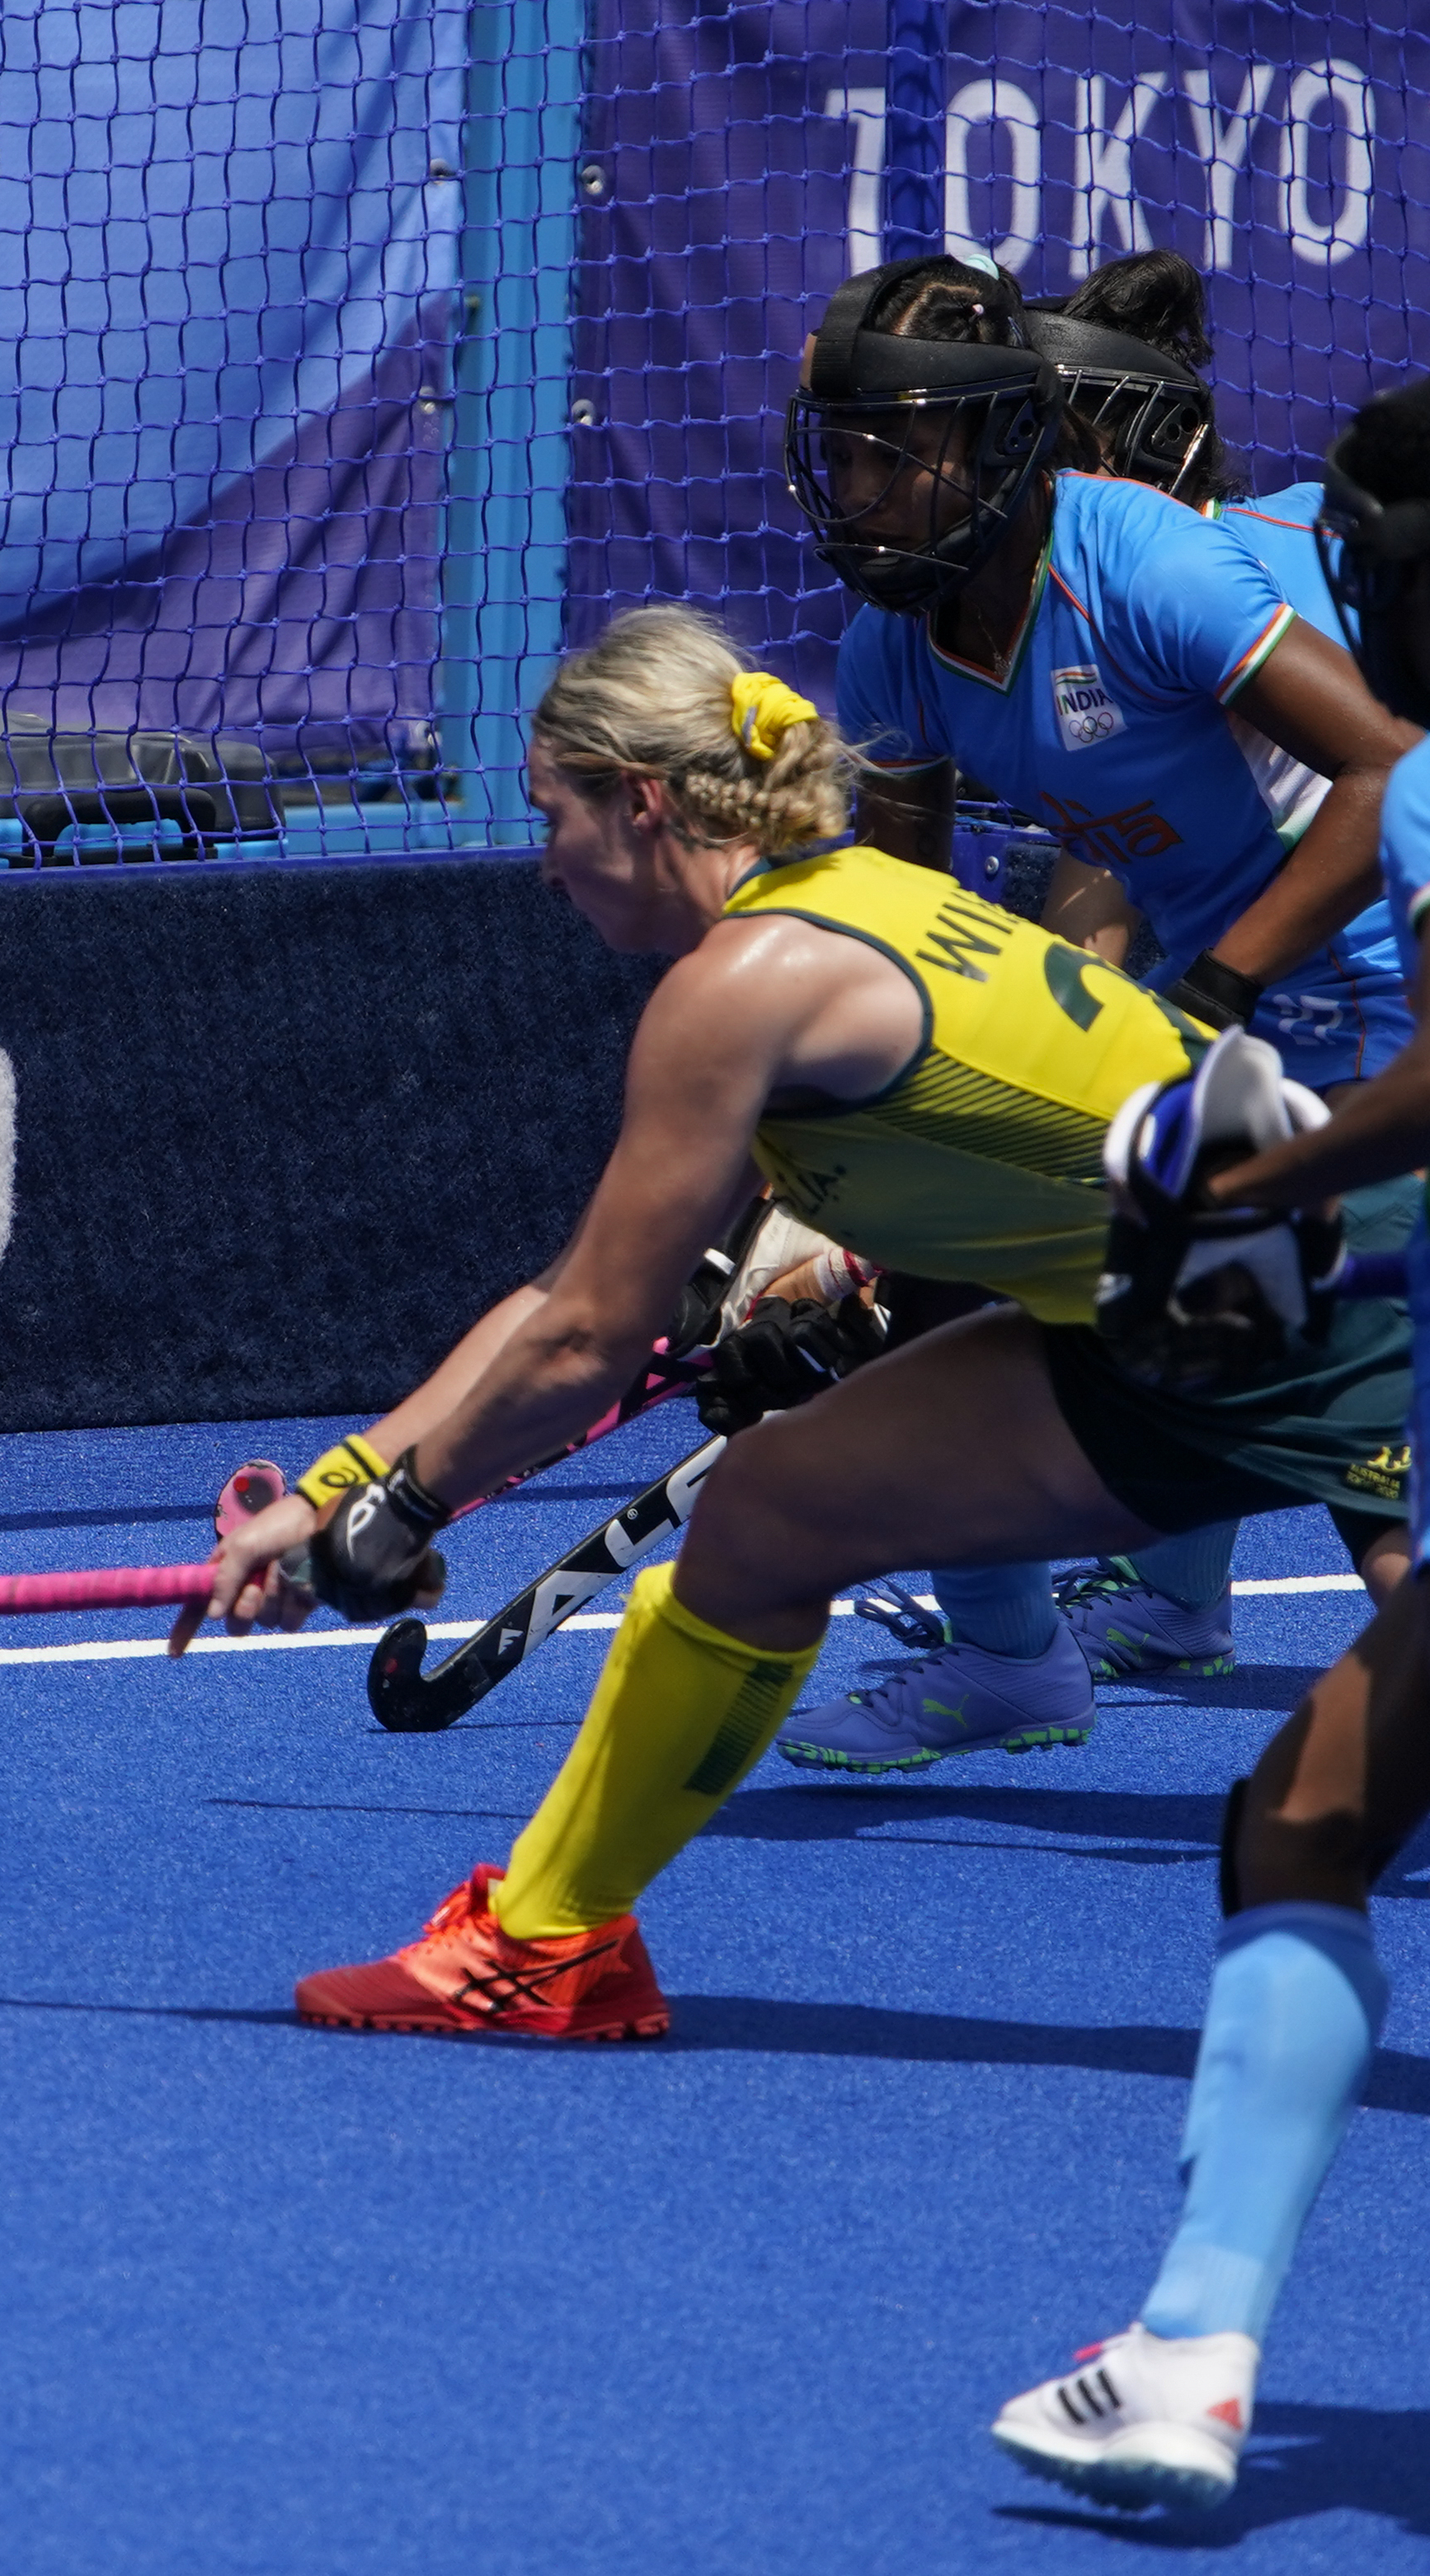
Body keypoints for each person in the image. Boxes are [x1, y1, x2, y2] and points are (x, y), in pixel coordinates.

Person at [181, 602, 1409, 2041]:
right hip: (1161, 1326)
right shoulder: (846, 905)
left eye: (553, 815)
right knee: (772, 1509)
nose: (543, 864)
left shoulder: (739, 987)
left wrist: (399, 1512)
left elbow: (583, 1341)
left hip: (1357, 1304)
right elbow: (570, 1298)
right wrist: (344, 1486)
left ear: (640, 803)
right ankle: (548, 1945)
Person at [776, 253, 1420, 1773]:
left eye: (894, 454)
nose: (858, 489)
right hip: (1229, 1022)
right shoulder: (894, 652)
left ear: (996, 446)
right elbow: (899, 934)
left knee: (1364, 1397)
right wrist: (820, 1201)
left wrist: (1213, 993)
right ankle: (1007, 1659)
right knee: (961, 1238)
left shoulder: (1141, 563)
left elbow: (1392, 772)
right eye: (843, 454)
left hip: (1385, 991)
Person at [988, 375, 1430, 2514]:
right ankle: (1177, 2356)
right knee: (1305, 1808)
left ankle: (1184, 2355)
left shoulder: (1412, 801)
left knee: (1303, 1828)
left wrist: (1245, 1186)